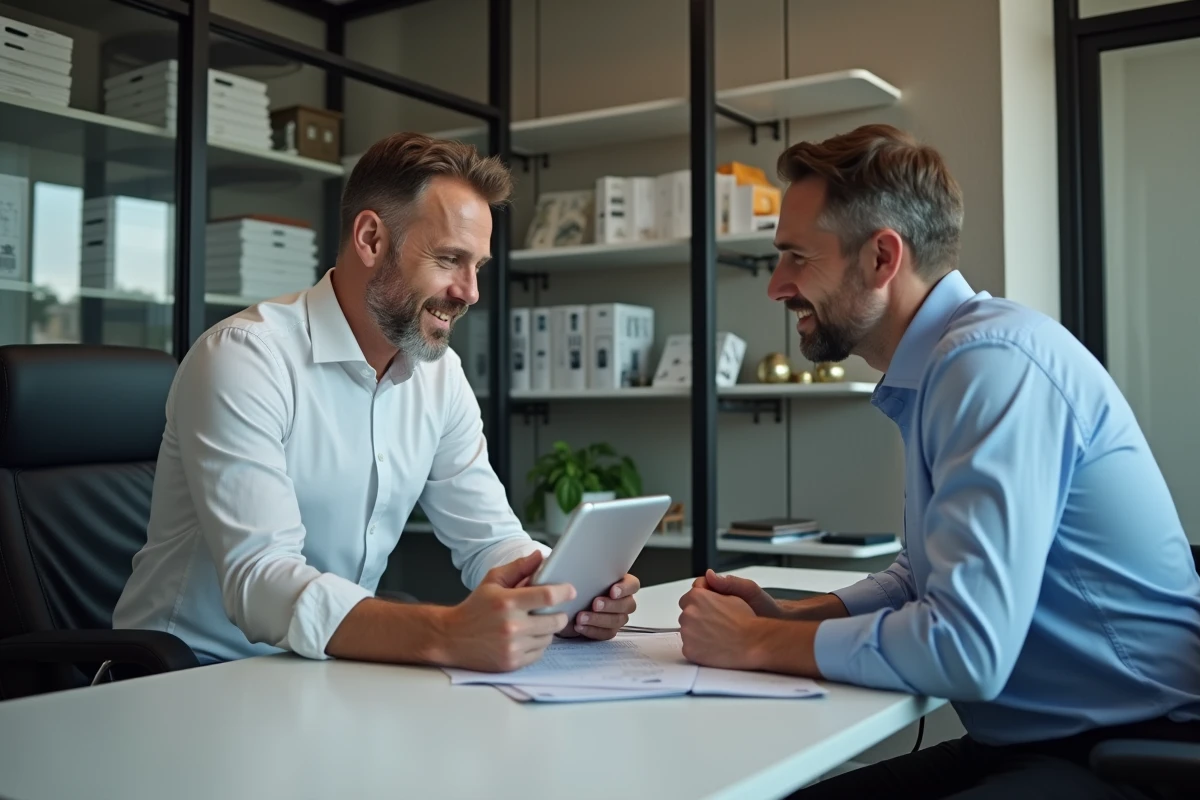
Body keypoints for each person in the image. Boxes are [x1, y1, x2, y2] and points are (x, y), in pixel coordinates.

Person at [677, 124, 1200, 798]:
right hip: (1045, 740)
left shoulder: (989, 366)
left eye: (796, 257)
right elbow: (921, 577)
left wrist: (752, 645)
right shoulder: (949, 363)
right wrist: (786, 618)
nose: (777, 285)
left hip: (1131, 748)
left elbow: (967, 647)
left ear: (881, 258)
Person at [114, 133, 639, 670]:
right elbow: (261, 579)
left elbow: (491, 539)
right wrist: (446, 631)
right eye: (450, 258)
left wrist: (563, 596)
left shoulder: (440, 376)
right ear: (370, 238)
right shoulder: (245, 358)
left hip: (325, 671)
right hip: (188, 676)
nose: (469, 292)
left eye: (476, 266)